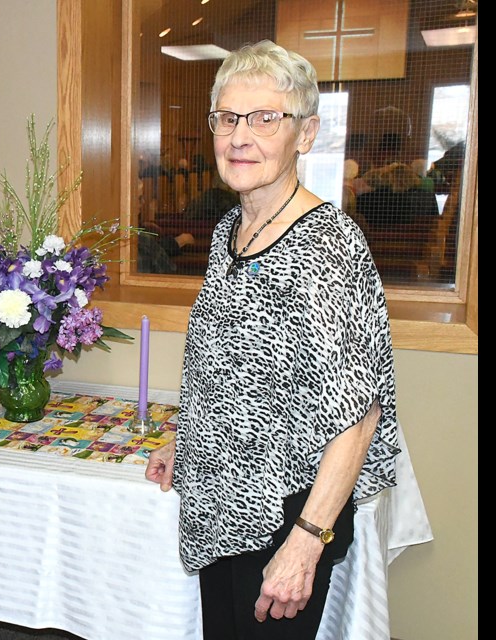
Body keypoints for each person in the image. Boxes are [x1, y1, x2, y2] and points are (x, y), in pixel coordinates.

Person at [144, 40, 400, 639]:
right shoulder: (231, 228)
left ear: (305, 135)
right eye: (228, 118)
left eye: (265, 118)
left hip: (285, 520)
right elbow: (221, 360)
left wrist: (305, 545)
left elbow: (359, 415)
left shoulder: (328, 247)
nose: (240, 136)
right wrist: (187, 442)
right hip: (223, 507)